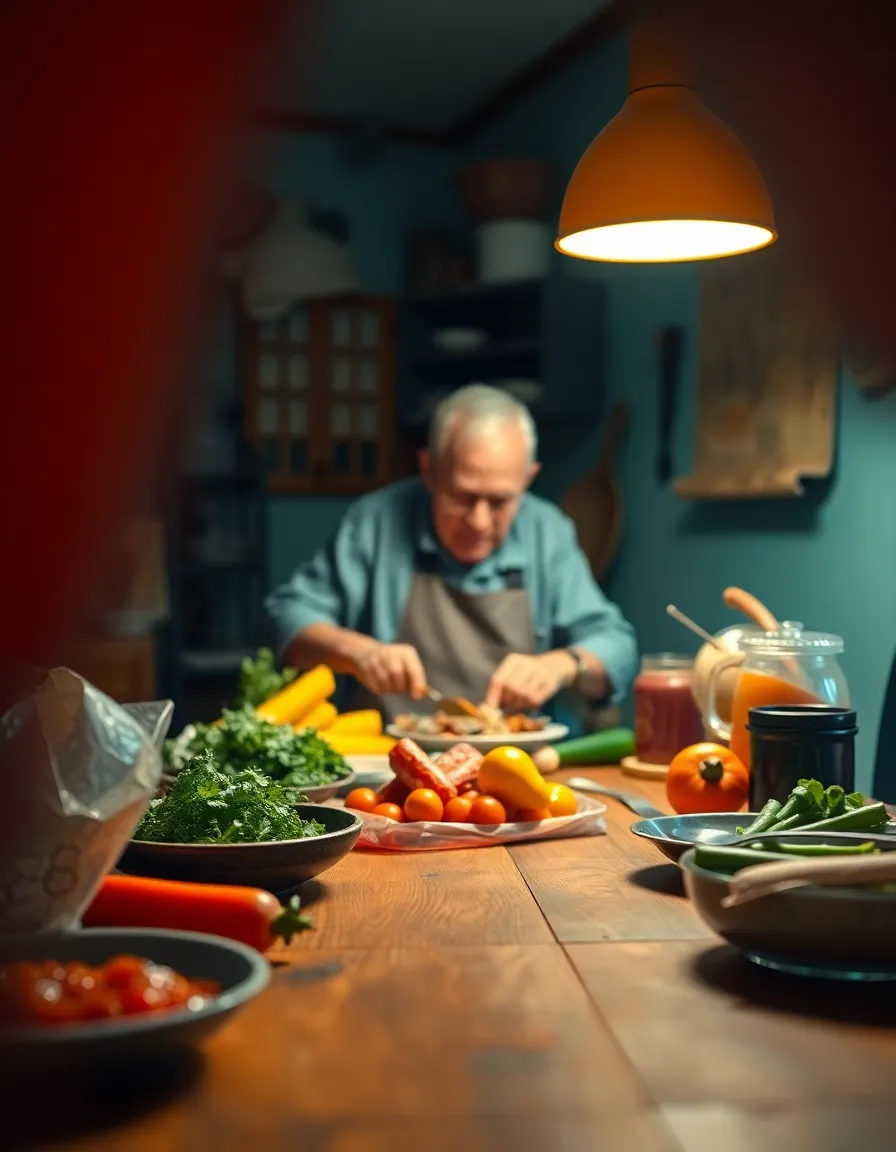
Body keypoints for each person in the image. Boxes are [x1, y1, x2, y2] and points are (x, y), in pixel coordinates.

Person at [265, 385, 638, 719]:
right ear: (429, 471)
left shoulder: (547, 530)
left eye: (499, 501)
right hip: (383, 766)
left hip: (509, 769)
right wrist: (358, 652)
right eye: (463, 497)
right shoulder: (375, 521)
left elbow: (617, 645)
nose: (479, 521)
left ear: (528, 479)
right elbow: (288, 619)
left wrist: (562, 664)